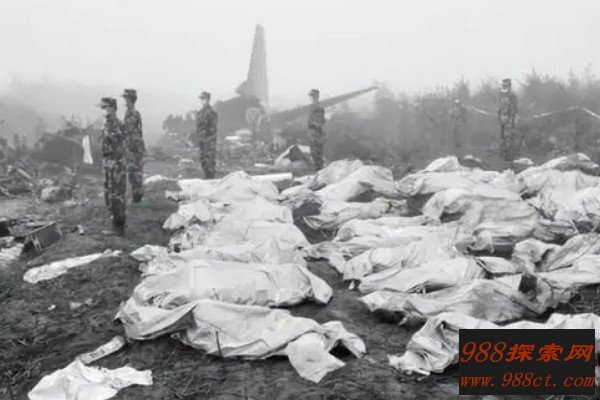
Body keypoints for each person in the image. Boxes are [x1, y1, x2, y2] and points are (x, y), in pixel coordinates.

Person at [98, 97, 126, 235]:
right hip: (108, 163)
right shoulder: (107, 123)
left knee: (116, 195)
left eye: (105, 107)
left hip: (115, 164)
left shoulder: (116, 124)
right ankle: (115, 224)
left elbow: (119, 146)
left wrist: (114, 162)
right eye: (102, 108)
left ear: (113, 108)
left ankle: (118, 228)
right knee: (108, 194)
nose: (103, 110)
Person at [121, 89, 145, 203]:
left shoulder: (133, 114)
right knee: (132, 173)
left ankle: (137, 197)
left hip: (134, 148)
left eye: (126, 98)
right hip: (131, 148)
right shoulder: (129, 113)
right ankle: (136, 196)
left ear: (130, 99)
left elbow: (130, 132)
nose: (125, 101)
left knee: (135, 173)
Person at [195, 91, 218, 179]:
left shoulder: (212, 113)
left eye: (204, 99)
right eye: (201, 99)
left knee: (210, 162)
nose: (202, 101)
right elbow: (198, 127)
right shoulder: (200, 113)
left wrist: (207, 139)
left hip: (209, 141)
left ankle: (210, 179)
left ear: (208, 99)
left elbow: (213, 129)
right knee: (202, 161)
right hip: (201, 141)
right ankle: (206, 178)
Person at [498, 78, 518, 161]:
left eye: (505, 85)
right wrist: (499, 115)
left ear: (509, 86)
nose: (504, 87)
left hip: (509, 119)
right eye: (503, 85)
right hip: (502, 119)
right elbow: (500, 108)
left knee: (509, 138)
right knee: (502, 137)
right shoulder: (502, 96)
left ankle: (510, 157)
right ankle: (503, 155)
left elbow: (514, 109)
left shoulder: (512, 96)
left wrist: (512, 119)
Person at [307, 88, 326, 170]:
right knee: (314, 155)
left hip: (317, 136)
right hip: (313, 136)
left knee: (317, 156)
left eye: (313, 96)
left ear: (317, 97)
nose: (311, 98)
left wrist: (313, 125)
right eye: (311, 96)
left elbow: (320, 123)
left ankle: (319, 172)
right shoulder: (312, 108)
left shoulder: (318, 109)